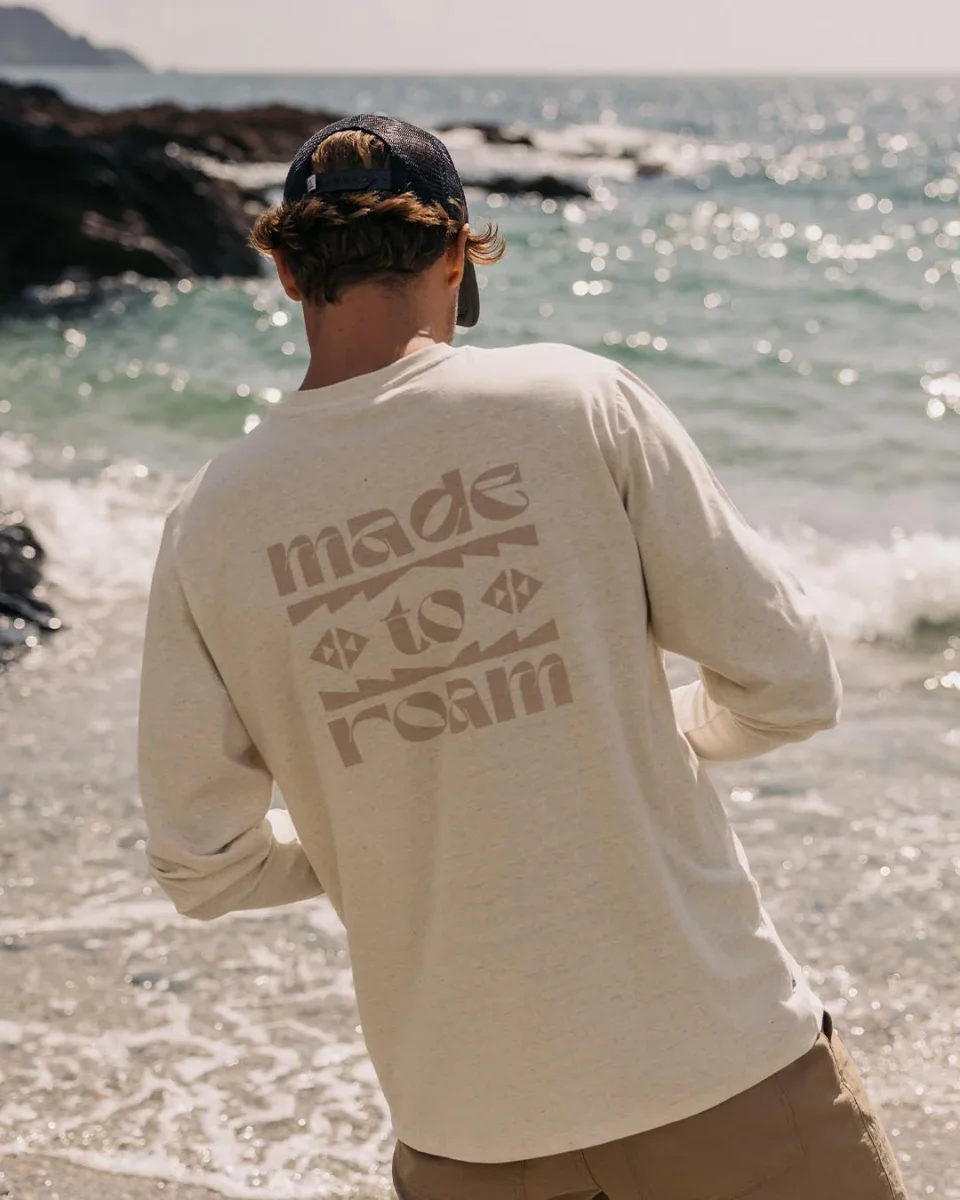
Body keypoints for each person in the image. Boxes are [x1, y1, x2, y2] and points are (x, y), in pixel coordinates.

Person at [138, 116, 908, 1200]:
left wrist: (388, 815)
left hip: (470, 1135)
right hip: (715, 1069)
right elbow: (788, 684)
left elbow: (202, 864)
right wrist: (619, 735)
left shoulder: (210, 521)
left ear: (286, 271)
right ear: (458, 253)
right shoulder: (573, 401)